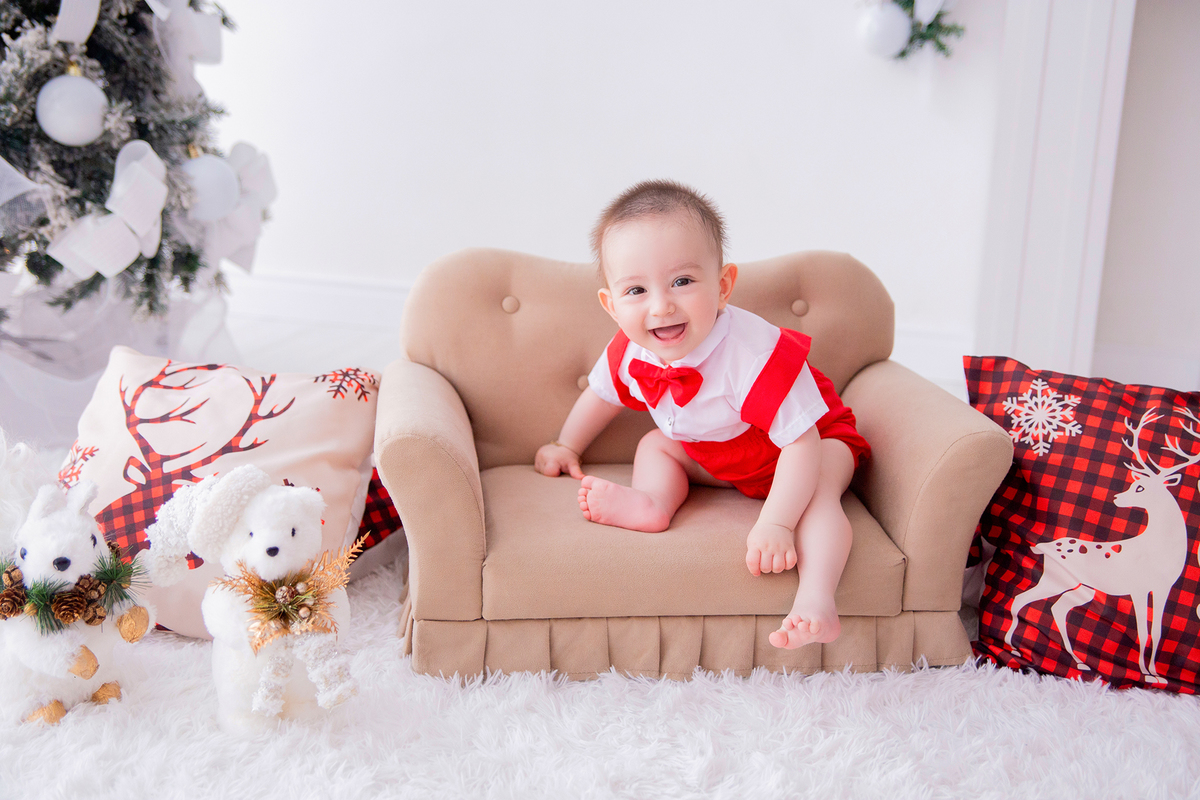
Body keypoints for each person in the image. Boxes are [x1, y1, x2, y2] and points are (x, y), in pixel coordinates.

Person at [534, 180, 870, 649]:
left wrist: (776, 522)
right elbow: (602, 396)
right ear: (612, 305)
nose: (661, 305)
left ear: (723, 286)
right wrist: (566, 444)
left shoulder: (753, 354)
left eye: (682, 281)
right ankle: (654, 503)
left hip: (810, 442)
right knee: (655, 444)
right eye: (636, 289)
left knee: (818, 496)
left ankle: (817, 601)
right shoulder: (630, 352)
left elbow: (801, 442)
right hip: (722, 455)